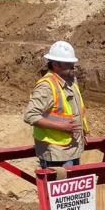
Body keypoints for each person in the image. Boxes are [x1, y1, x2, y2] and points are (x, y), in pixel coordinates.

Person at [23, 41, 88, 169]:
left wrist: (83, 130)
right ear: (55, 65)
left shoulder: (71, 80)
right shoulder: (46, 86)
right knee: (55, 188)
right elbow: (30, 115)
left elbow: (76, 108)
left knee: (72, 189)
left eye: (72, 63)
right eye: (68, 64)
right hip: (56, 153)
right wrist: (61, 126)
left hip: (72, 148)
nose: (72, 66)